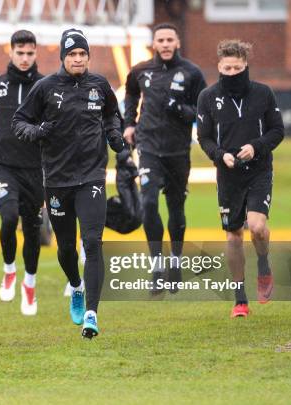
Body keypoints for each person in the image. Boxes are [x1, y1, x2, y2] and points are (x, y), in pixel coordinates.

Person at [13, 28, 124, 339]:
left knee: (92, 242)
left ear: (88, 57)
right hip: (58, 180)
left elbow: (114, 115)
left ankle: (92, 313)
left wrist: (114, 134)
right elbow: (19, 121)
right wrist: (38, 132)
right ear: (63, 57)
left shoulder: (99, 85)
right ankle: (75, 284)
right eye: (72, 54)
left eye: (82, 54)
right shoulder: (45, 88)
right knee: (66, 249)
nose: (78, 59)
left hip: (92, 176)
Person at [197, 39, 284, 317]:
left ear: (245, 65)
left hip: (258, 170)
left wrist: (256, 147)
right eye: (227, 67)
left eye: (237, 67)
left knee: (257, 227)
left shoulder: (263, 93)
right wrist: (220, 155)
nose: (232, 72)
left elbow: (277, 131)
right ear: (219, 67)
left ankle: (263, 264)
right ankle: (240, 299)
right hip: (228, 174)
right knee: (234, 235)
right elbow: (205, 137)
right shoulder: (208, 97)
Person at [123, 23, 206, 294]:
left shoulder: (192, 73)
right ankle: (157, 266)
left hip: (178, 150)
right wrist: (129, 123)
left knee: (176, 209)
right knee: (148, 203)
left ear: (178, 42)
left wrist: (181, 109)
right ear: (154, 43)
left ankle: (175, 262)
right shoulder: (141, 70)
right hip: (148, 146)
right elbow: (131, 94)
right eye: (161, 40)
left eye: (170, 39)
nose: (166, 44)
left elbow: (201, 111)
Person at [0, 30, 44, 315]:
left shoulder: (45, 85)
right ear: (10, 52)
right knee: (9, 217)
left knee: (33, 228)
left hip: (36, 169)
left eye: (29, 53)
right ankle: (10, 270)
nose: (25, 58)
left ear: (36, 54)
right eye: (20, 53)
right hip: (3, 164)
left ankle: (29, 284)